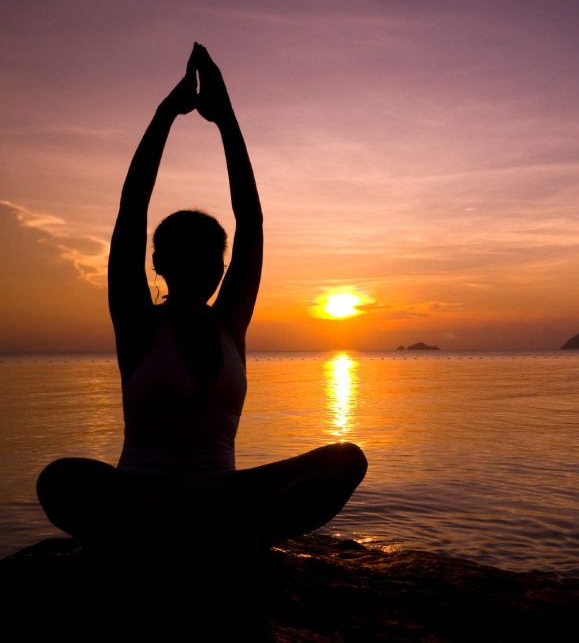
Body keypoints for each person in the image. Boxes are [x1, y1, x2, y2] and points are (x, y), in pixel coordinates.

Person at [36, 44, 367, 551]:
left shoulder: (229, 322)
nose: (206, 267)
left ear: (221, 265)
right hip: (140, 496)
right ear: (160, 264)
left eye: (213, 257)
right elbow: (131, 213)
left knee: (347, 459)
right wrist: (166, 113)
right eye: (188, 255)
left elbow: (251, 221)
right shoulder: (139, 323)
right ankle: (211, 540)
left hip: (222, 496)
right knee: (60, 478)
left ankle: (202, 537)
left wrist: (225, 118)